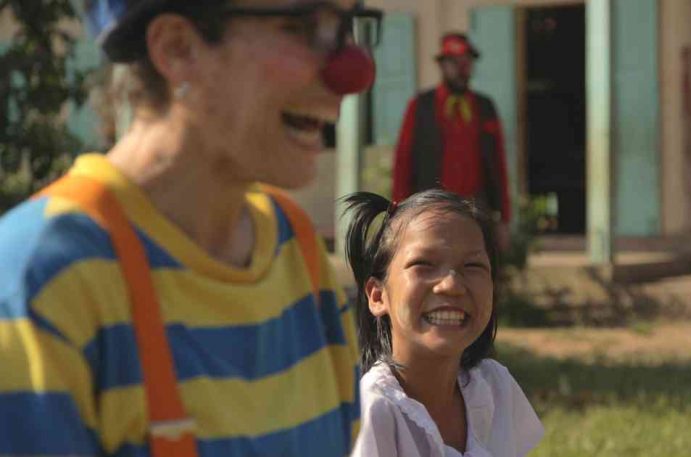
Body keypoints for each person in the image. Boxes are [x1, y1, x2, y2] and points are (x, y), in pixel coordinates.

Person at [0, 0, 381, 455]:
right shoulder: (40, 281)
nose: (351, 72)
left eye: (342, 30)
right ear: (178, 49)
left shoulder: (296, 248)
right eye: (302, 27)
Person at [342, 189, 544, 457]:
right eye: (424, 265)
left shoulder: (495, 388)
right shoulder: (374, 411)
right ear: (378, 296)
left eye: (472, 266)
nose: (452, 285)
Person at [392, 33, 512, 250]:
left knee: (479, 275)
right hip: (431, 210)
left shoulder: (484, 107)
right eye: (454, 63)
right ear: (442, 65)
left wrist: (504, 219)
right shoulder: (421, 106)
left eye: (466, 63)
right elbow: (403, 161)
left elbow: (499, 164)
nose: (461, 69)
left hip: (476, 210)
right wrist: (398, 214)